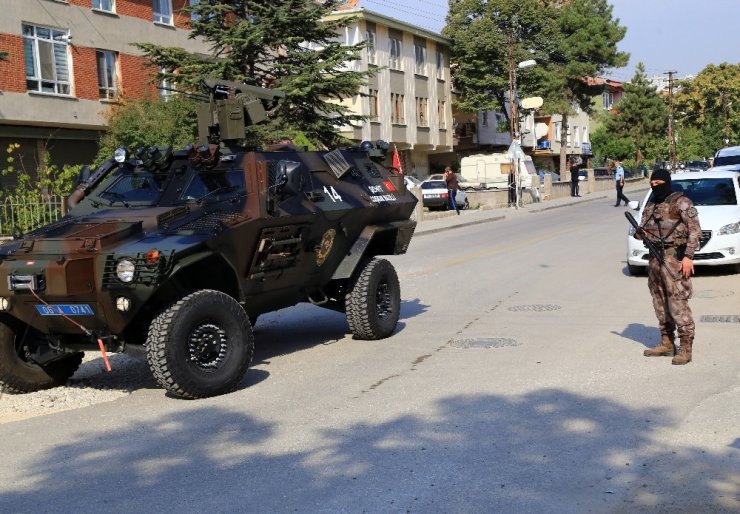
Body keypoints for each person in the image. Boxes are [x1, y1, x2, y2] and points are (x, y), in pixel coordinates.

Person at [635, 167, 702, 365]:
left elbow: (695, 230)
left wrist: (688, 257)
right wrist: (640, 233)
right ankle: (666, 342)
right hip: (654, 259)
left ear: (667, 183)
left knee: (678, 302)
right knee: (659, 301)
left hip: (675, 260)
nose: (655, 187)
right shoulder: (651, 205)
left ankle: (686, 347)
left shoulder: (683, 202)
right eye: (652, 185)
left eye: (659, 184)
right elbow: (643, 229)